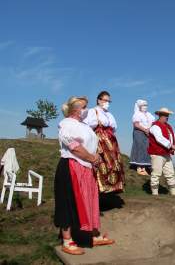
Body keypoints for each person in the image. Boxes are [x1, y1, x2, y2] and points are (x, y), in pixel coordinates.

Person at [54, 96, 114, 255]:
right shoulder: (66, 124)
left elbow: (90, 142)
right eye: (84, 106)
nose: (86, 109)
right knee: (68, 202)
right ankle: (67, 241)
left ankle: (93, 235)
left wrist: (95, 157)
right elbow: (72, 145)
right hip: (72, 167)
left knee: (90, 200)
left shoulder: (83, 125)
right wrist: (90, 157)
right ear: (74, 109)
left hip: (86, 168)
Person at [83, 91, 124, 193]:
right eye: (105, 100)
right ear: (99, 100)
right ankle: (100, 187)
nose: (107, 103)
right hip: (100, 141)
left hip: (111, 141)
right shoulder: (93, 111)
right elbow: (87, 126)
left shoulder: (109, 114)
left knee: (114, 163)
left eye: (109, 101)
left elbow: (114, 128)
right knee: (102, 163)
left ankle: (114, 186)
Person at [148, 107, 175, 196]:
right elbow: (159, 139)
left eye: (167, 115)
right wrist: (171, 145)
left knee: (170, 173)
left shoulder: (169, 126)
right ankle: (155, 193)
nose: (167, 117)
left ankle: (173, 192)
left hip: (166, 153)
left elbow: (174, 136)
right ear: (160, 115)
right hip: (157, 153)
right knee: (156, 173)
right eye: (165, 115)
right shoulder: (155, 126)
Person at [129, 99, 155, 175]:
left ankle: (145, 166)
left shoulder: (149, 114)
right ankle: (139, 167)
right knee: (140, 147)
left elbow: (152, 123)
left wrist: (149, 129)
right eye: (143, 105)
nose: (145, 107)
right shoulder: (137, 114)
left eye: (146, 105)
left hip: (147, 132)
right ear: (139, 106)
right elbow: (136, 124)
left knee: (147, 148)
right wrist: (145, 130)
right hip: (139, 132)